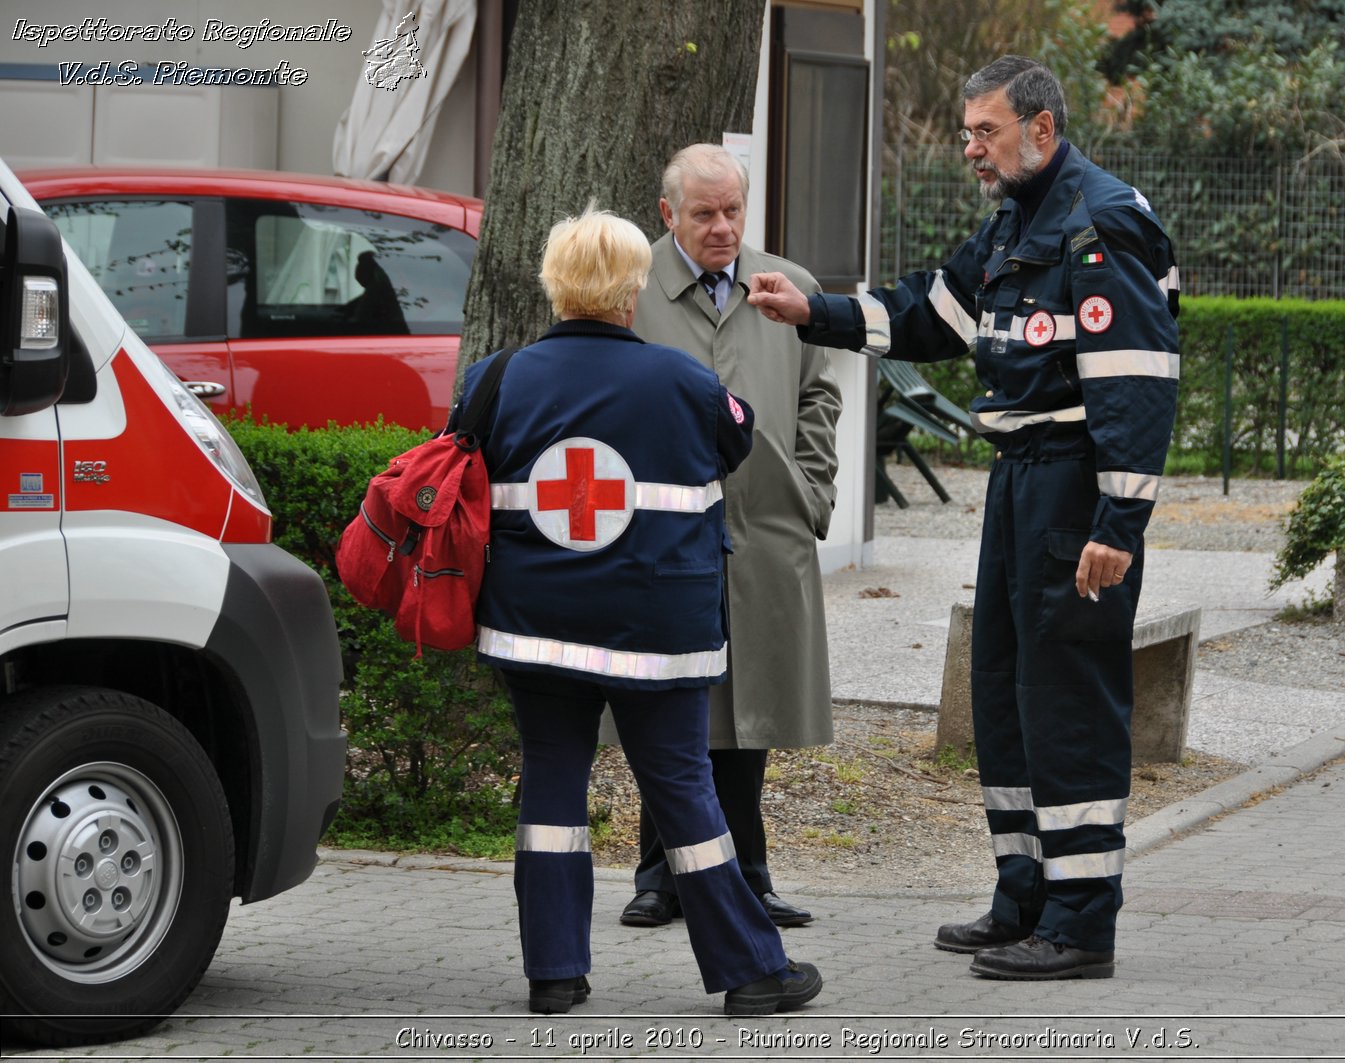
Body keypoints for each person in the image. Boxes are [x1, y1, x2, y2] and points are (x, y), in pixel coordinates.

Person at [749, 55, 1179, 981]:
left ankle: (1080, 921)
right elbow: (930, 314)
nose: (971, 149)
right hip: (1022, 479)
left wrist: (1118, 524)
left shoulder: (1101, 225)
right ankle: (1024, 893)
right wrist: (809, 311)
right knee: (1005, 686)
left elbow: (1138, 389)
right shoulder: (1017, 221)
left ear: (1042, 129)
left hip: (1073, 487)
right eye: (969, 133)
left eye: (986, 132)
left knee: (1067, 698)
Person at [462, 207, 823, 1017]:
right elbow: (738, 446)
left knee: (550, 787)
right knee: (685, 795)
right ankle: (749, 970)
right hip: (657, 636)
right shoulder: (688, 382)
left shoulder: (497, 379)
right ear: (632, 293)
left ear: (554, 286)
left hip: (537, 629)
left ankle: (554, 973)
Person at [612, 144, 842, 932]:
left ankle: (749, 868)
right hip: (661, 532)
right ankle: (658, 870)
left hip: (767, 524)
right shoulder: (629, 285)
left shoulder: (788, 286)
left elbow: (820, 395)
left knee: (751, 703)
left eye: (733, 211)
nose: (722, 228)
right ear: (667, 213)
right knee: (669, 697)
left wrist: (812, 490)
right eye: (704, 213)